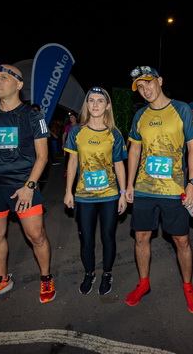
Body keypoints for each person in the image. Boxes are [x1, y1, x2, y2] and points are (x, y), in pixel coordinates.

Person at [0, 64, 55, 304]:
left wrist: (29, 186)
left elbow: (43, 156)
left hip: (22, 185)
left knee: (36, 235)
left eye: (3, 77)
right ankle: (2, 279)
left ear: (18, 84)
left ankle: (46, 277)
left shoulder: (32, 115)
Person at [124, 66, 193, 313]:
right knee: (141, 237)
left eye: (148, 83)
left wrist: (192, 183)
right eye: (140, 87)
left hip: (174, 189)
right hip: (144, 188)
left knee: (182, 240)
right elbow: (135, 150)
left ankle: (188, 287)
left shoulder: (181, 109)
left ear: (159, 81)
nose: (145, 89)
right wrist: (129, 184)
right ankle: (143, 283)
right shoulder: (140, 115)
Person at [64, 87, 127, 296]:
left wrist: (123, 193)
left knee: (108, 236)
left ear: (107, 106)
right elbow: (72, 162)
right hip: (84, 195)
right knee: (86, 238)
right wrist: (68, 191)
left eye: (100, 100)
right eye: (91, 100)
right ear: (87, 104)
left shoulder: (114, 133)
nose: (95, 104)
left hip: (109, 194)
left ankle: (107, 273)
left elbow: (119, 165)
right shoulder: (76, 131)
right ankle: (89, 273)